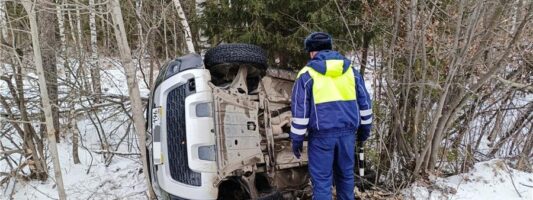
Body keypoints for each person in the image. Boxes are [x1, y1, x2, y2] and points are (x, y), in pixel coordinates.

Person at [290, 32, 373, 200]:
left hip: (321, 139)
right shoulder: (352, 72)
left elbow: (300, 114)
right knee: (346, 178)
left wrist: (296, 140)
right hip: (348, 136)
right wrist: (364, 131)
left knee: (322, 183)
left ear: (312, 52)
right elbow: (365, 106)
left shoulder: (306, 75)